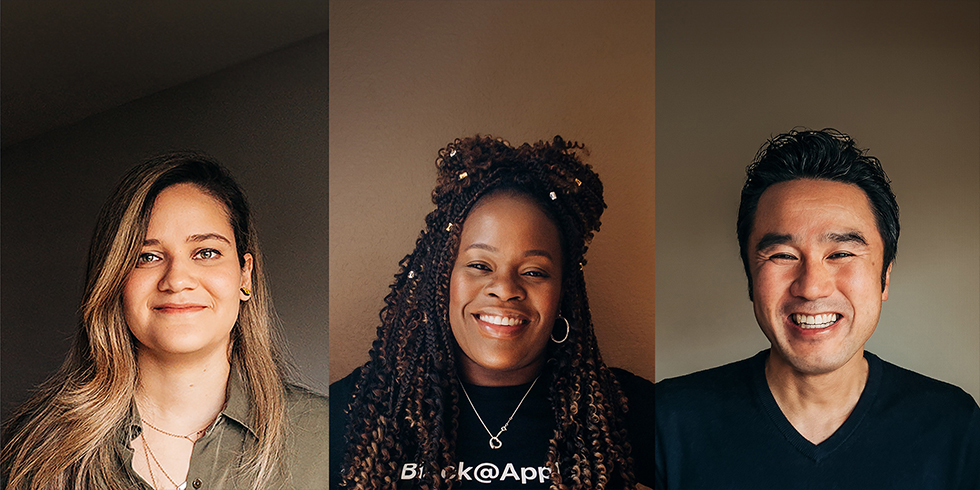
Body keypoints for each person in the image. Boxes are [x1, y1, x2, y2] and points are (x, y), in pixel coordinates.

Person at [654, 129, 980, 489]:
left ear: (884, 278)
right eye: (782, 255)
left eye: (841, 254)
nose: (811, 287)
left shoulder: (953, 426)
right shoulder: (670, 420)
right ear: (750, 277)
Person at [330, 135, 654, 489]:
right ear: (442, 280)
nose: (505, 288)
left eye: (534, 271)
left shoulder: (632, 413)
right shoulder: (353, 409)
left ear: (563, 293)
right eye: (480, 265)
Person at [1, 153, 327, 490]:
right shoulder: (36, 450)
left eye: (206, 252)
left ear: (245, 274)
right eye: (147, 257)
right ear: (113, 278)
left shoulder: (329, 437)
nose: (177, 279)